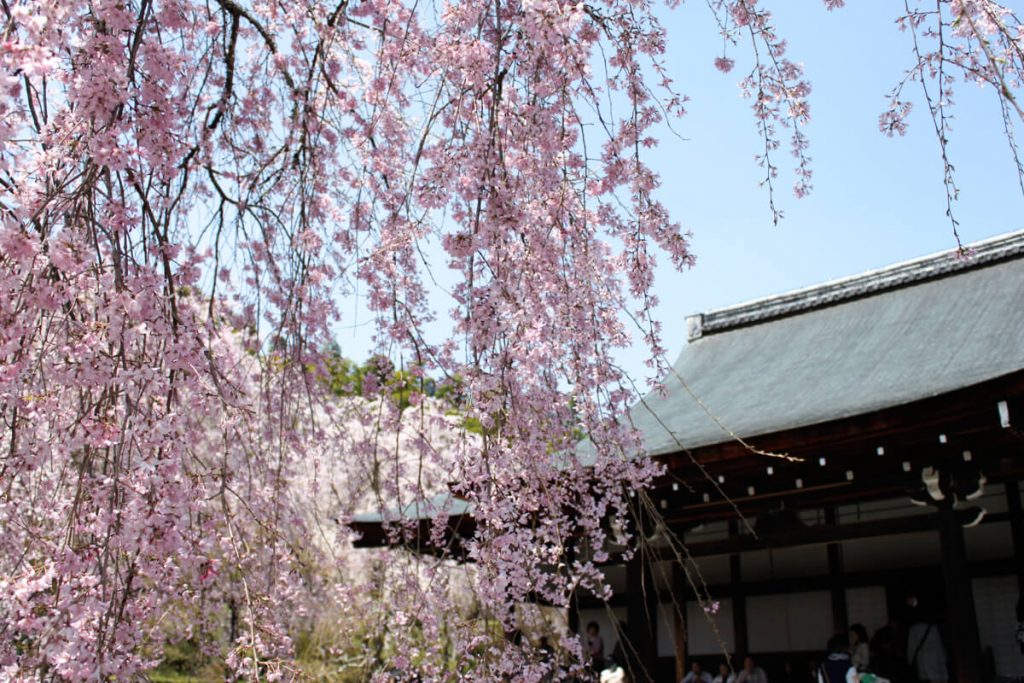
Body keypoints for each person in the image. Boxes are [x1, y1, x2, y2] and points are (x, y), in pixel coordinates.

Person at [907, 616, 947, 683]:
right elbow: (940, 651)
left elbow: (911, 651)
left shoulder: (914, 629)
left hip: (924, 669)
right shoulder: (934, 628)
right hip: (936, 670)